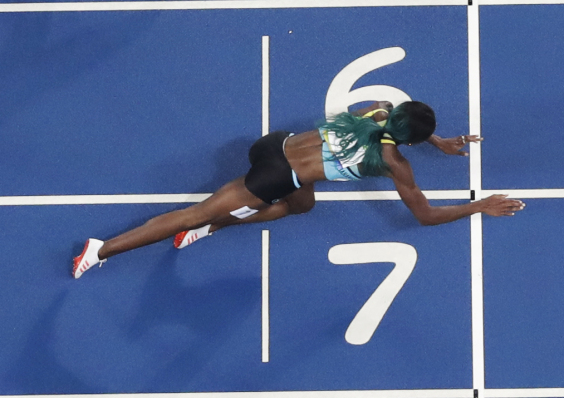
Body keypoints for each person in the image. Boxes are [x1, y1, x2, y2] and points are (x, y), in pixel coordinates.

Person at [73, 100, 525, 277]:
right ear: (407, 141)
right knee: (196, 211)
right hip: (274, 177)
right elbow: (425, 216)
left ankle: (208, 230)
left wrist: (438, 140)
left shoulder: (380, 112)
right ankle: (100, 249)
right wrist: (479, 205)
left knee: (301, 207)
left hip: (273, 143)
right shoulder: (396, 165)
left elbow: (397, 122)